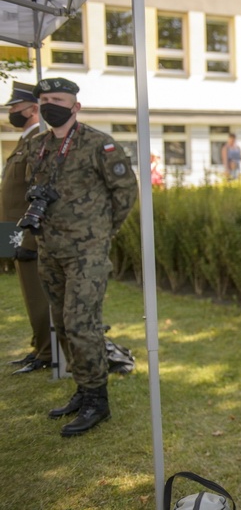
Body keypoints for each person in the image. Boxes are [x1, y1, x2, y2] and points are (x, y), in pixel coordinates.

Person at [23, 77, 137, 437]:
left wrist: (101, 231)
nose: (48, 104)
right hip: (50, 249)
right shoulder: (38, 146)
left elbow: (126, 192)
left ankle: (97, 401)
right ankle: (83, 389)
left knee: (80, 322)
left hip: (86, 251)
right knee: (60, 320)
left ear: (75, 106)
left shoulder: (98, 144)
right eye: (43, 99)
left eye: (57, 98)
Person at [2, 81, 52, 374]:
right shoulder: (24, 141)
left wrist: (30, 240)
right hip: (13, 230)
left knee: (36, 292)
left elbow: (37, 191)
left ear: (33, 109)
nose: (11, 112)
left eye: (15, 107)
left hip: (27, 234)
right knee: (26, 290)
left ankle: (46, 352)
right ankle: (38, 346)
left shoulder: (38, 142)